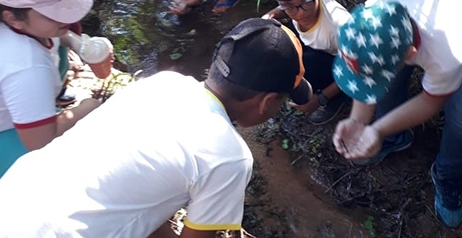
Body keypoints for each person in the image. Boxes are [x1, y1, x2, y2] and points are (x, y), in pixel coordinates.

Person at [0, 18, 313, 237]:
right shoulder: (231, 158)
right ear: (266, 102)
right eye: (281, 101)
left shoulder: (163, 84)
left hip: (14, 196)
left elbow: (137, 191)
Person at [331, 0, 462, 228]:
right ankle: (397, 137)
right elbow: (364, 78)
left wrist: (376, 130)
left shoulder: (446, 52)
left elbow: (431, 102)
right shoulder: (369, 18)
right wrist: (358, 121)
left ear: (411, 53)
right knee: (386, 85)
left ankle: (447, 175)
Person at [0, 0, 101, 177]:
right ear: (13, 17)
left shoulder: (17, 27)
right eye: (52, 13)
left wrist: (75, 41)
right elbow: (40, 142)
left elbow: (54, 36)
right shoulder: (27, 66)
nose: (67, 19)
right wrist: (89, 107)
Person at [263, 0, 351, 125]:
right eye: (288, 7)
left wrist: (320, 98)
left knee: (305, 64)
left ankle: (337, 99)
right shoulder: (301, 1)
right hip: (314, 45)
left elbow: (356, 69)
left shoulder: (338, 26)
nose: (300, 13)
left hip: (339, 62)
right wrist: (271, 16)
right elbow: (289, 6)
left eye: (305, 4)